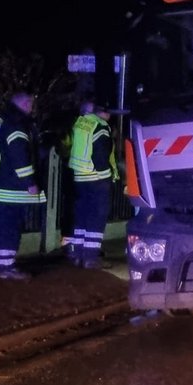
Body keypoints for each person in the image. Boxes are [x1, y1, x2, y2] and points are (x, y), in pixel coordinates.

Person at [0, 91, 46, 280]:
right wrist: (30, 182)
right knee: (10, 227)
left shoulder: (1, 118)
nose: (32, 108)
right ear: (25, 104)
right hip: (9, 187)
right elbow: (19, 155)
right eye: (31, 104)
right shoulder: (17, 123)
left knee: (0, 227)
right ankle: (6, 267)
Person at [67, 100, 116, 269]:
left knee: (82, 217)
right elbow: (101, 155)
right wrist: (107, 177)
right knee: (96, 219)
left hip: (80, 177)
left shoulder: (80, 123)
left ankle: (77, 254)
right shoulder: (100, 126)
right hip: (96, 178)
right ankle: (91, 258)